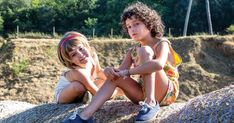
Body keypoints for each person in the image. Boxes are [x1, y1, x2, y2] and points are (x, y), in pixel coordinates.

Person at [62, 2, 182, 123]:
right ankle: (84, 117)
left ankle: (151, 103)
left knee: (145, 51)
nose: (132, 29)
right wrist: (109, 71)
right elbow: (120, 73)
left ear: (149, 24)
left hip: (166, 92)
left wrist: (129, 71)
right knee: (114, 78)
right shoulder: (132, 51)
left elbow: (158, 65)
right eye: (129, 27)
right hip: (142, 93)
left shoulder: (161, 43)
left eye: (136, 24)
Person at [54, 31, 107, 104]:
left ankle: (86, 96)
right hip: (64, 93)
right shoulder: (78, 72)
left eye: (81, 49)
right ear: (70, 61)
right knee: (78, 86)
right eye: (74, 54)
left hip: (87, 86)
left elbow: (99, 71)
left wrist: (113, 80)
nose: (80, 54)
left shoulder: (93, 57)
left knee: (106, 82)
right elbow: (92, 88)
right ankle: (84, 97)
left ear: (86, 46)